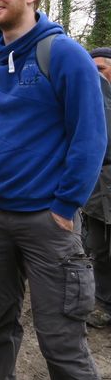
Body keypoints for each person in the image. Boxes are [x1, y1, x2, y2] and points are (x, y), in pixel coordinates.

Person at [0, 0, 105, 380]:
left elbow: (90, 138)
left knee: (61, 340)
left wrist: (64, 206)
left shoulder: (65, 55)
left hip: (48, 222)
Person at [84, 47, 111, 329]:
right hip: (95, 185)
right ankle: (104, 304)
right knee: (98, 248)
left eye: (101, 69)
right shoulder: (87, 100)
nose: (96, 75)